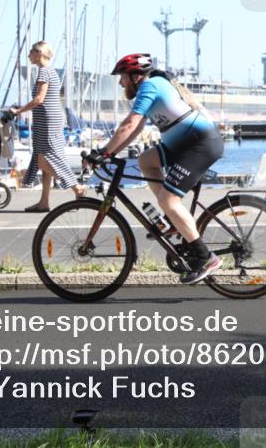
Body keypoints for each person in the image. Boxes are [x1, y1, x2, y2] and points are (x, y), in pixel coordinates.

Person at [95, 53, 225, 285]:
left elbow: (129, 124)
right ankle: (174, 222)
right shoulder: (152, 86)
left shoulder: (150, 86)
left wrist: (104, 152)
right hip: (184, 143)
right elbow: (134, 131)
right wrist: (111, 152)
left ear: (135, 76)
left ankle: (206, 258)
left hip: (199, 143)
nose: (120, 83)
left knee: (168, 200)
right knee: (146, 161)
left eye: (122, 77)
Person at [10, 41, 86, 212]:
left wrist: (18, 111)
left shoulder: (44, 72)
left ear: (39, 53)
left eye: (31, 51)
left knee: (45, 159)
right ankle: (44, 202)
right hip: (47, 119)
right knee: (44, 157)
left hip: (48, 120)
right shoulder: (50, 71)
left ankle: (76, 187)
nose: (29, 54)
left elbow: (39, 99)